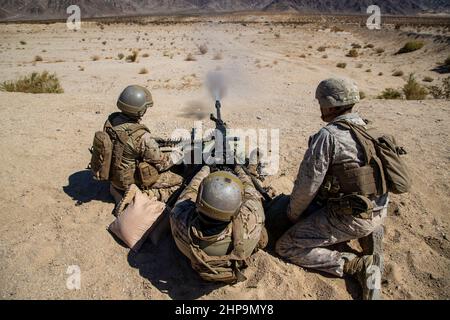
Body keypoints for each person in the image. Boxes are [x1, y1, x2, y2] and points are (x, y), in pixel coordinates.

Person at [275, 78, 388, 300]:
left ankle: (356, 265)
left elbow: (306, 188)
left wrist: (291, 215)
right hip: (379, 210)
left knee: (286, 246)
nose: (320, 107)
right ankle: (371, 233)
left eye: (321, 103)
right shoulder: (369, 127)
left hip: (354, 218)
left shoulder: (328, 136)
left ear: (331, 104)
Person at [170, 166, 267, 283]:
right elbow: (250, 191)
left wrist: (205, 168)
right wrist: (238, 168)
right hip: (239, 252)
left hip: (191, 255)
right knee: (263, 235)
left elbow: (191, 190)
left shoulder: (178, 216)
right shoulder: (253, 219)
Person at [104, 85, 183, 204]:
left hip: (115, 178)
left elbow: (125, 143)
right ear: (140, 110)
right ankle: (142, 195)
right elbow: (163, 164)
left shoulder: (111, 121)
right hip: (129, 182)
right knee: (180, 182)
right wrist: (178, 154)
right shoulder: (142, 137)